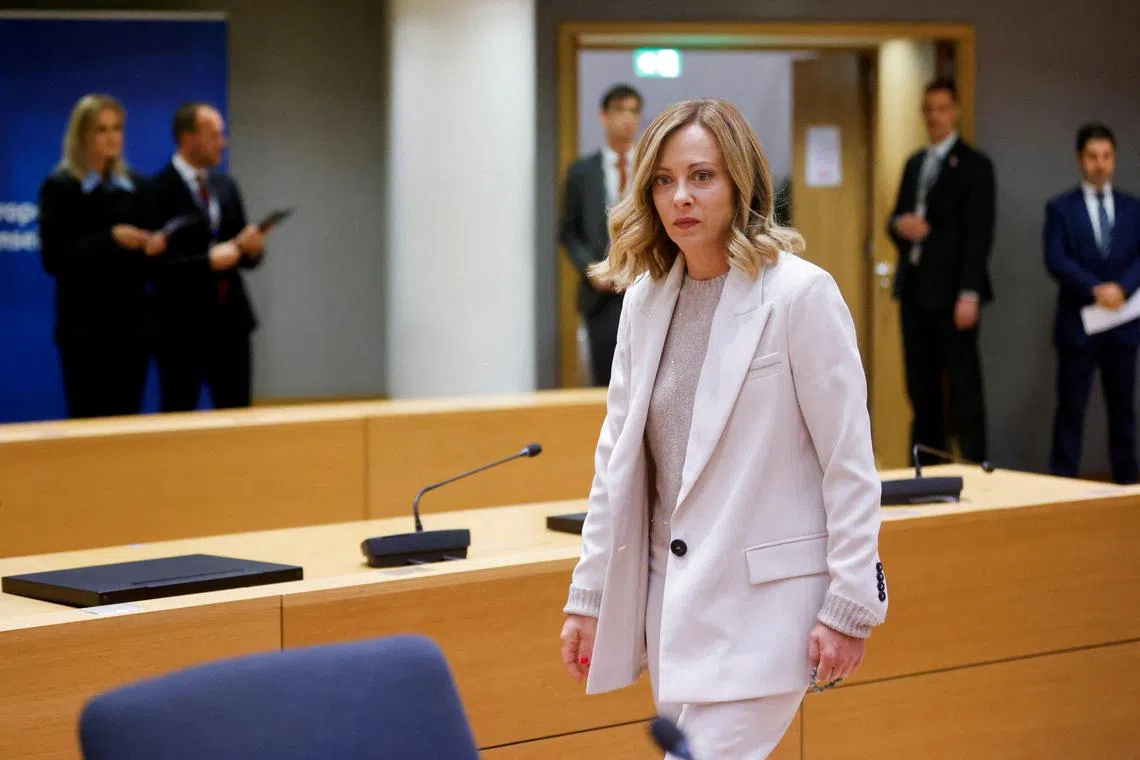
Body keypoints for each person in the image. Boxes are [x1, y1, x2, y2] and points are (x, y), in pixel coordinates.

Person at [558, 99, 887, 759]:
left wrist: (852, 605)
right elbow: (615, 463)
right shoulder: (646, 301)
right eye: (663, 180)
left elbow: (848, 464)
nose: (681, 196)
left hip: (767, 618)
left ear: (740, 184)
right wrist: (588, 595)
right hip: (671, 611)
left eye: (702, 176)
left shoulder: (800, 295)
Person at [888, 78, 995, 464]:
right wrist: (900, 226)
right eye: (928, 109)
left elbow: (979, 234)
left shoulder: (974, 166)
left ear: (956, 112)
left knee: (963, 389)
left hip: (954, 296)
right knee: (920, 388)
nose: (934, 116)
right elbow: (895, 218)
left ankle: (977, 469)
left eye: (942, 108)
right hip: (915, 291)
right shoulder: (915, 163)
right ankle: (926, 470)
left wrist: (970, 293)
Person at [37, 93, 164, 419]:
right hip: (85, 331)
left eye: (117, 128)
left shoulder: (137, 185)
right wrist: (110, 239)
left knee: (127, 425)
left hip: (132, 329)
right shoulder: (61, 186)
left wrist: (153, 247)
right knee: (88, 422)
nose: (112, 137)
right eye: (102, 129)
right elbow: (55, 258)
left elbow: (151, 263)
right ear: (82, 135)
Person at [148, 102, 265, 411]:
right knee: (179, 416)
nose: (222, 143)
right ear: (189, 139)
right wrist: (207, 262)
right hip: (180, 328)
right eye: (214, 135)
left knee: (238, 416)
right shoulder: (155, 190)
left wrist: (252, 249)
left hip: (231, 323)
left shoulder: (226, 185)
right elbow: (155, 269)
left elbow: (242, 253)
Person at [1046, 123, 1140, 484]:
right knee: (1071, 410)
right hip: (1078, 325)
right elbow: (1056, 259)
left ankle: (1128, 486)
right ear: (1080, 159)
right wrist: (1097, 288)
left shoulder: (1133, 208)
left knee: (1123, 412)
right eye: (1092, 157)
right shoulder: (1061, 209)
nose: (1100, 164)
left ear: (1114, 159)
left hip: (1123, 323)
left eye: (1106, 157)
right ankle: (1060, 485)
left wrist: (1123, 288)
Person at [559, 83, 643, 386]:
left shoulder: (651, 168)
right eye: (620, 110)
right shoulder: (582, 172)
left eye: (634, 111)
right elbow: (568, 231)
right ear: (603, 116)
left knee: (645, 377)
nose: (628, 118)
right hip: (600, 296)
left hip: (645, 283)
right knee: (606, 383)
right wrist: (592, 270)